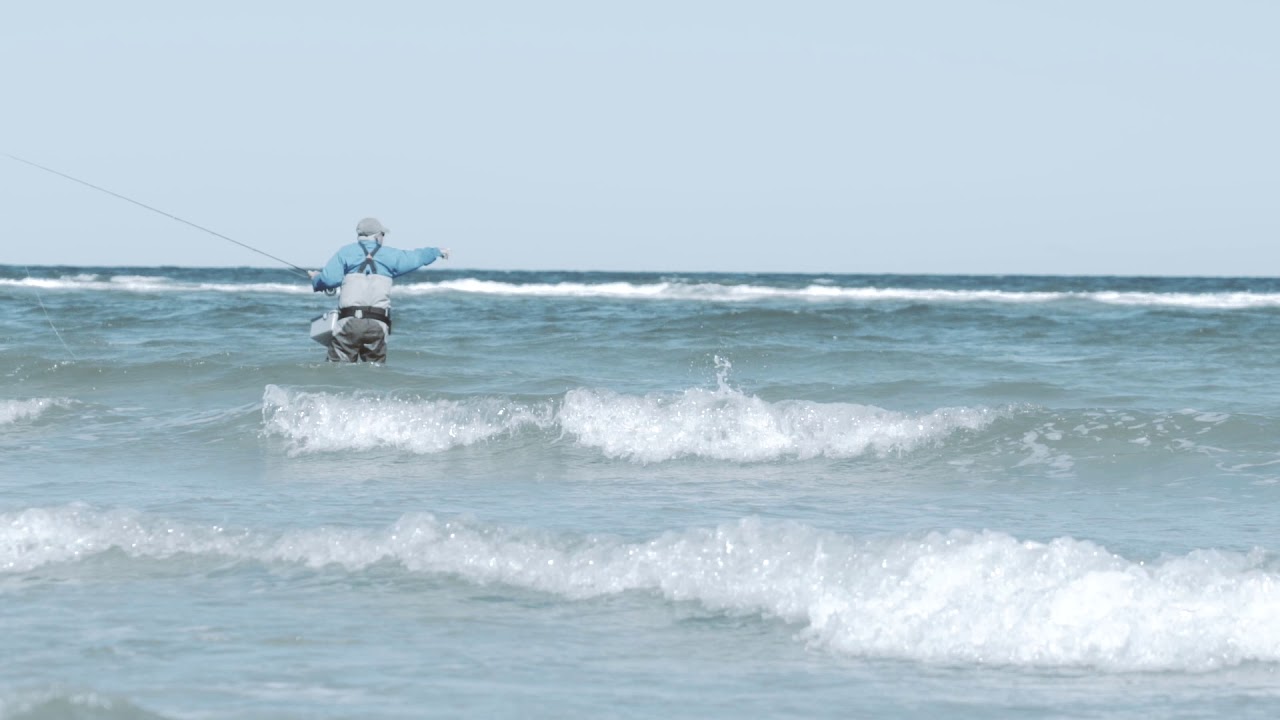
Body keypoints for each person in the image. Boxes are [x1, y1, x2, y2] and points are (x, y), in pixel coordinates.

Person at [309, 217, 449, 363]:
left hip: (349, 323)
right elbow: (416, 257)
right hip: (378, 324)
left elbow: (329, 280)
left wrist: (316, 279)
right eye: (383, 234)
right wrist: (436, 252)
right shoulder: (391, 255)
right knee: (375, 371)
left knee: (338, 369)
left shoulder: (346, 252)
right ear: (377, 236)